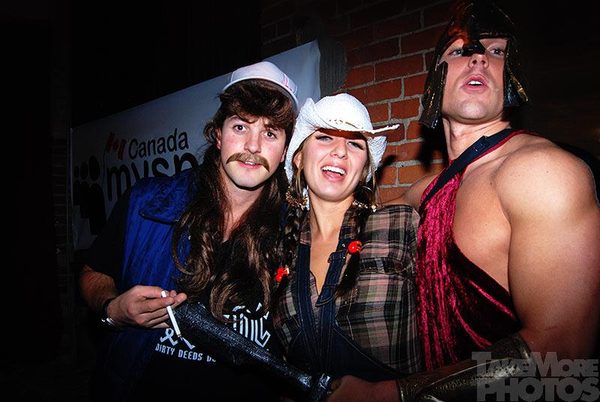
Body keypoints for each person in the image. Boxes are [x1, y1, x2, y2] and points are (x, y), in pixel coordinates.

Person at [326, 1, 600, 401]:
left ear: (513, 75)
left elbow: (563, 356)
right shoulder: (427, 190)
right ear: (435, 80)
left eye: (496, 50)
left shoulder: (542, 171)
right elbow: (354, 211)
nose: (478, 59)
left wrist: (390, 394)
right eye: (460, 51)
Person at [78, 60, 298, 402]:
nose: (253, 146)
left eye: (270, 133)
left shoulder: (295, 231)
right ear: (218, 135)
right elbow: (93, 273)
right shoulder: (148, 203)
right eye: (241, 126)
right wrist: (112, 309)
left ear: (285, 151)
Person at [272, 93, 422, 400]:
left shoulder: (399, 224)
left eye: (355, 144)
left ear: (365, 168)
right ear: (299, 157)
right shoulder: (279, 251)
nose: (340, 150)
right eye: (325, 137)